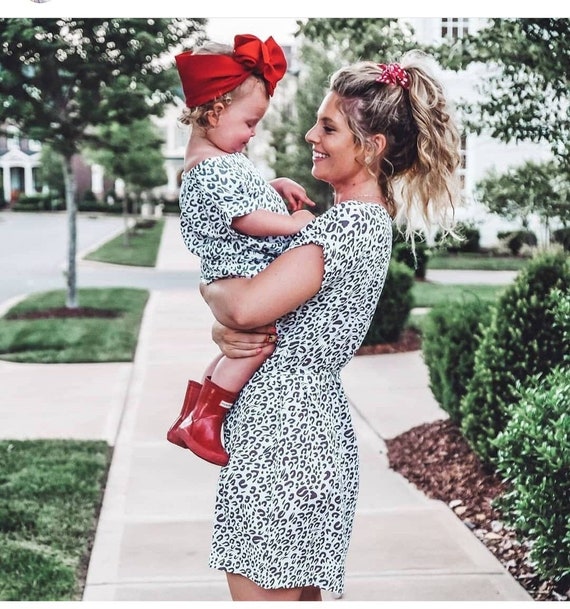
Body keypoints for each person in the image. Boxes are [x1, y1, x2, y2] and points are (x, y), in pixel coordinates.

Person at [197, 50, 462, 602]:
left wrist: (210, 292)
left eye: (329, 126)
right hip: (302, 427)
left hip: (285, 436)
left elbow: (245, 308)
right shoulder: (352, 223)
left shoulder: (345, 227)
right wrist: (229, 331)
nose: (311, 135)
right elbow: (268, 317)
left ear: (373, 145)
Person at [166, 34, 316, 466]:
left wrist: (273, 187)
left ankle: (193, 412)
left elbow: (238, 200)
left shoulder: (213, 162)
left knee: (237, 347)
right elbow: (242, 219)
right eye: (249, 122)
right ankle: (206, 422)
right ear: (214, 112)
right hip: (243, 275)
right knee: (258, 344)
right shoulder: (213, 165)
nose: (252, 133)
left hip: (234, 276)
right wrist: (291, 224)